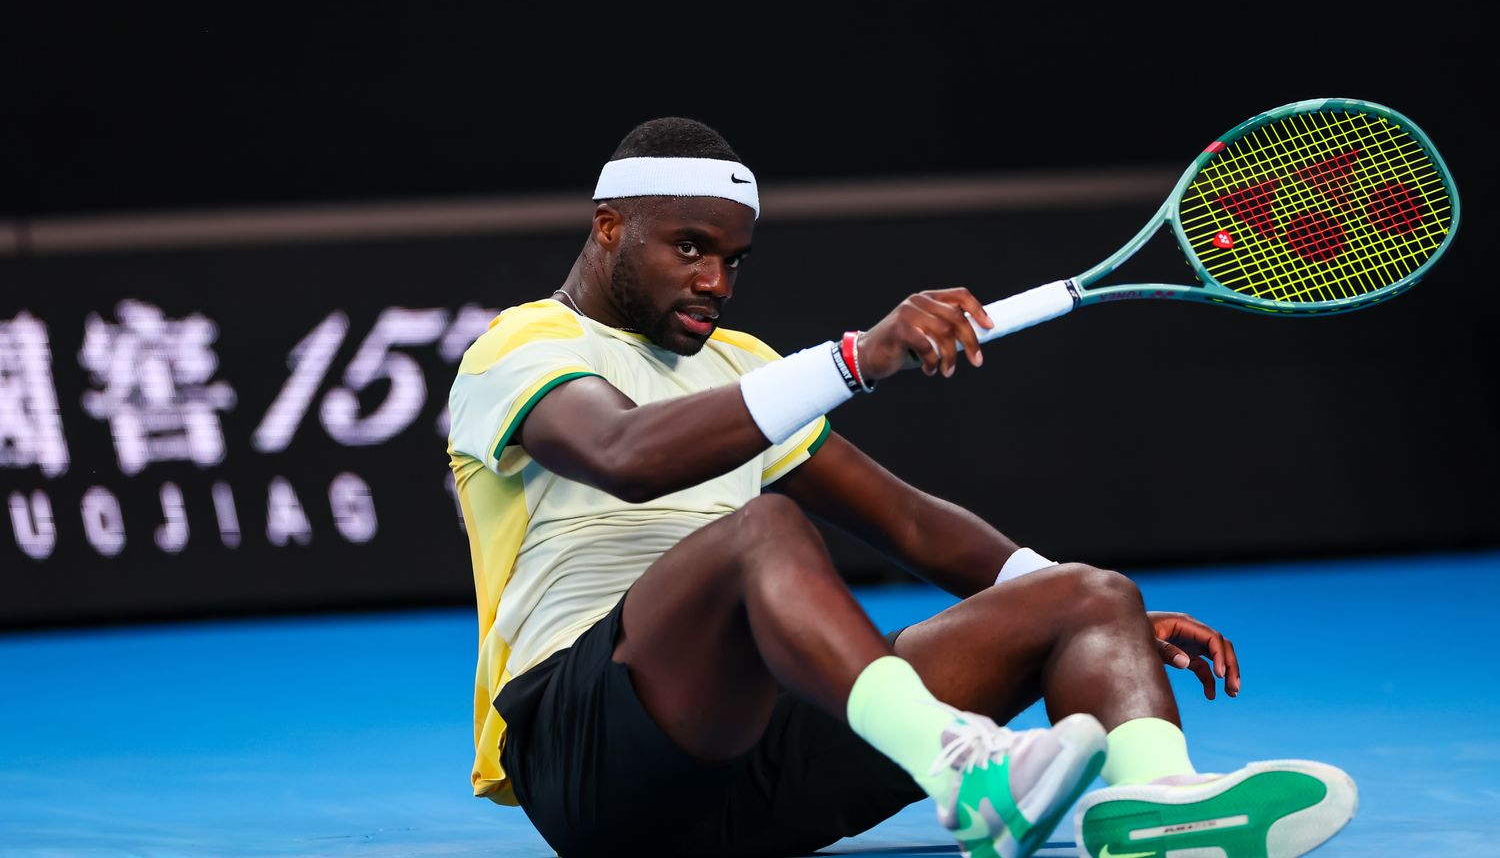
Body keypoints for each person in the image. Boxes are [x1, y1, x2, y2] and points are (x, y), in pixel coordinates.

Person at [447, 117, 1357, 858]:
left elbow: (910, 523)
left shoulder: (744, 368)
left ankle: (1160, 806)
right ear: (609, 227)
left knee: (1088, 590)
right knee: (763, 529)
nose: (716, 281)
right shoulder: (522, 348)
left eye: (734, 258)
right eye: (690, 248)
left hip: (756, 772)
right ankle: (962, 767)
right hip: (591, 761)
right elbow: (626, 454)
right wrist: (856, 357)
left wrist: (1088, 616)